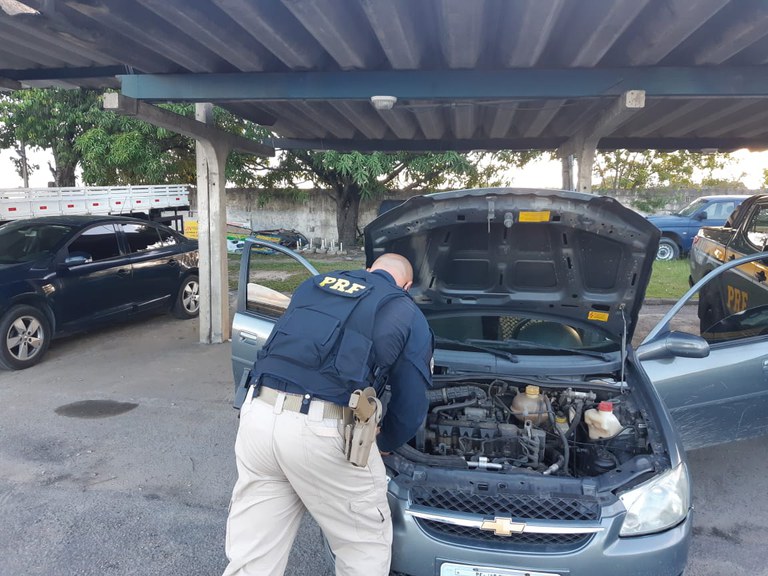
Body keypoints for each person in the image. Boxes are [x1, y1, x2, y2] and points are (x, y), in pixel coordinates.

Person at [222, 253, 433, 576]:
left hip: (258, 415)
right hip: (322, 430)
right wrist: (387, 439)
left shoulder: (314, 285)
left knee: (253, 556)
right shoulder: (404, 309)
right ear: (406, 286)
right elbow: (411, 402)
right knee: (363, 546)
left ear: (368, 270)